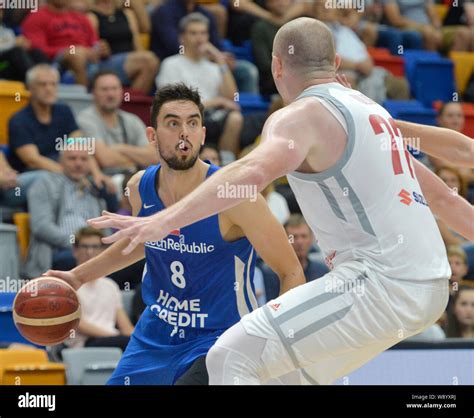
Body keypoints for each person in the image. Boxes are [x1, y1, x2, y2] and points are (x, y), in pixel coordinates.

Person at [90, 18, 474, 385]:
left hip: (378, 283)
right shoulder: (372, 113)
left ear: (275, 66)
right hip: (430, 287)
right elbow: (444, 197)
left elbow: (251, 172)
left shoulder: (298, 116)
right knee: (282, 376)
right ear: (335, 63)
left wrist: (161, 220)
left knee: (230, 357)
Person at [45, 83, 305, 385]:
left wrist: (270, 341)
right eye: (172, 123)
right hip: (154, 335)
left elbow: (291, 272)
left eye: (192, 123)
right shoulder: (139, 187)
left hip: (218, 340)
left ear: (203, 135)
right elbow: (142, 242)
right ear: (152, 137)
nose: (184, 133)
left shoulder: (235, 197)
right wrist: (77, 277)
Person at [156, 13, 244, 155]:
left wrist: (220, 60)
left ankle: (226, 164)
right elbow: (173, 105)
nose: (199, 38)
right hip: (184, 118)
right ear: (182, 38)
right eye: (193, 33)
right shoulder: (170, 64)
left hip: (211, 117)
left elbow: (233, 97)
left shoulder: (214, 67)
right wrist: (217, 101)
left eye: (203, 33)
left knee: (235, 118)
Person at [25, 144, 107, 278]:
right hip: (58, 251)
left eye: (83, 159)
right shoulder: (45, 184)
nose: (78, 164)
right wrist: (78, 244)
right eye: (72, 158)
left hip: (93, 250)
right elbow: (41, 226)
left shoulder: (93, 190)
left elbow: (104, 228)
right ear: (60, 161)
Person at [66, 227, 134, 352]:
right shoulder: (68, 285)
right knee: (128, 344)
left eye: (95, 247)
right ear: (75, 251)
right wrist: (117, 336)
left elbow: (124, 324)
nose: (90, 252)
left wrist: (139, 340)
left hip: (115, 340)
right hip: (84, 343)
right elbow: (78, 324)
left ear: (103, 251)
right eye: (85, 247)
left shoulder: (110, 285)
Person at [77, 70, 159, 174]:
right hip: (103, 182)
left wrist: (121, 148)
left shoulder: (132, 119)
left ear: (121, 91)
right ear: (93, 93)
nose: (110, 94)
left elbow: (154, 157)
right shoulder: (86, 119)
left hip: (132, 179)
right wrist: (137, 159)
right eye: (104, 89)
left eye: (114, 89)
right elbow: (105, 159)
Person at [260, 214, 329, 302]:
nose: (300, 242)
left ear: (311, 239)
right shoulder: (269, 272)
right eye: (294, 237)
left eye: (304, 236)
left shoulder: (321, 270)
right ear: (284, 239)